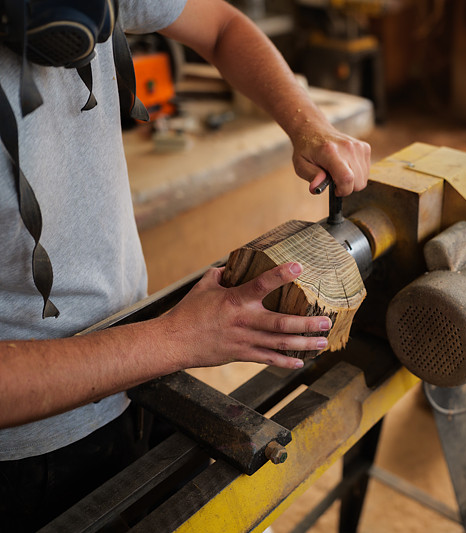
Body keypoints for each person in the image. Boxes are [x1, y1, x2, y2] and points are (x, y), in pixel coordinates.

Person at [0, 0, 371, 530]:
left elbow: (220, 26)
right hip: (28, 456)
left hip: (138, 375)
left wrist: (308, 122)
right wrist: (176, 339)